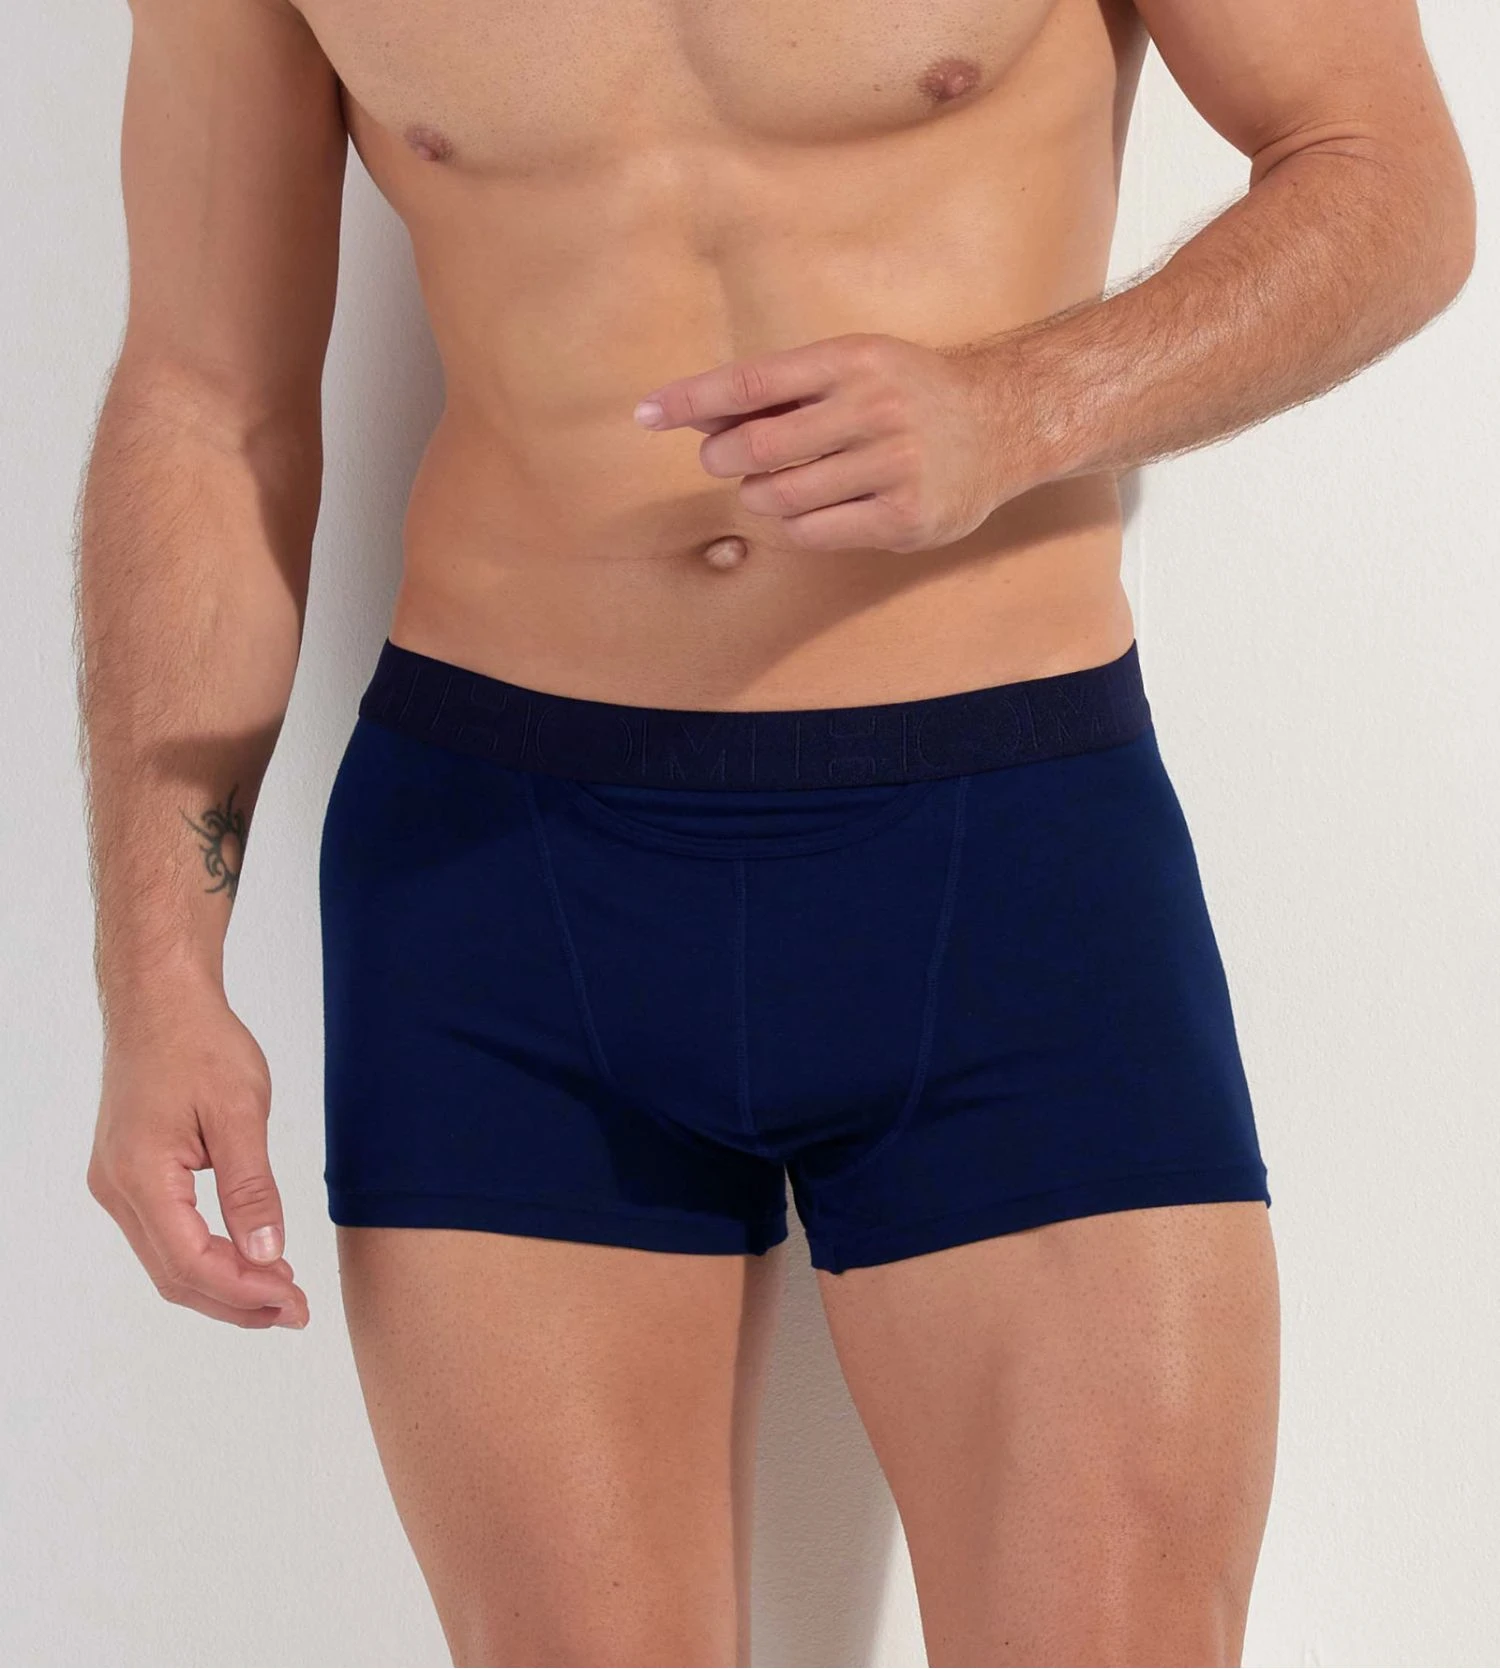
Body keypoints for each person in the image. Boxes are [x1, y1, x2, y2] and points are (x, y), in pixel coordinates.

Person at [77, 0, 1473, 1662]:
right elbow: (207, 402)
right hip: (506, 885)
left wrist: (1019, 407)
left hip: (1000, 848)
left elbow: (1387, 175)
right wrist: (159, 977)